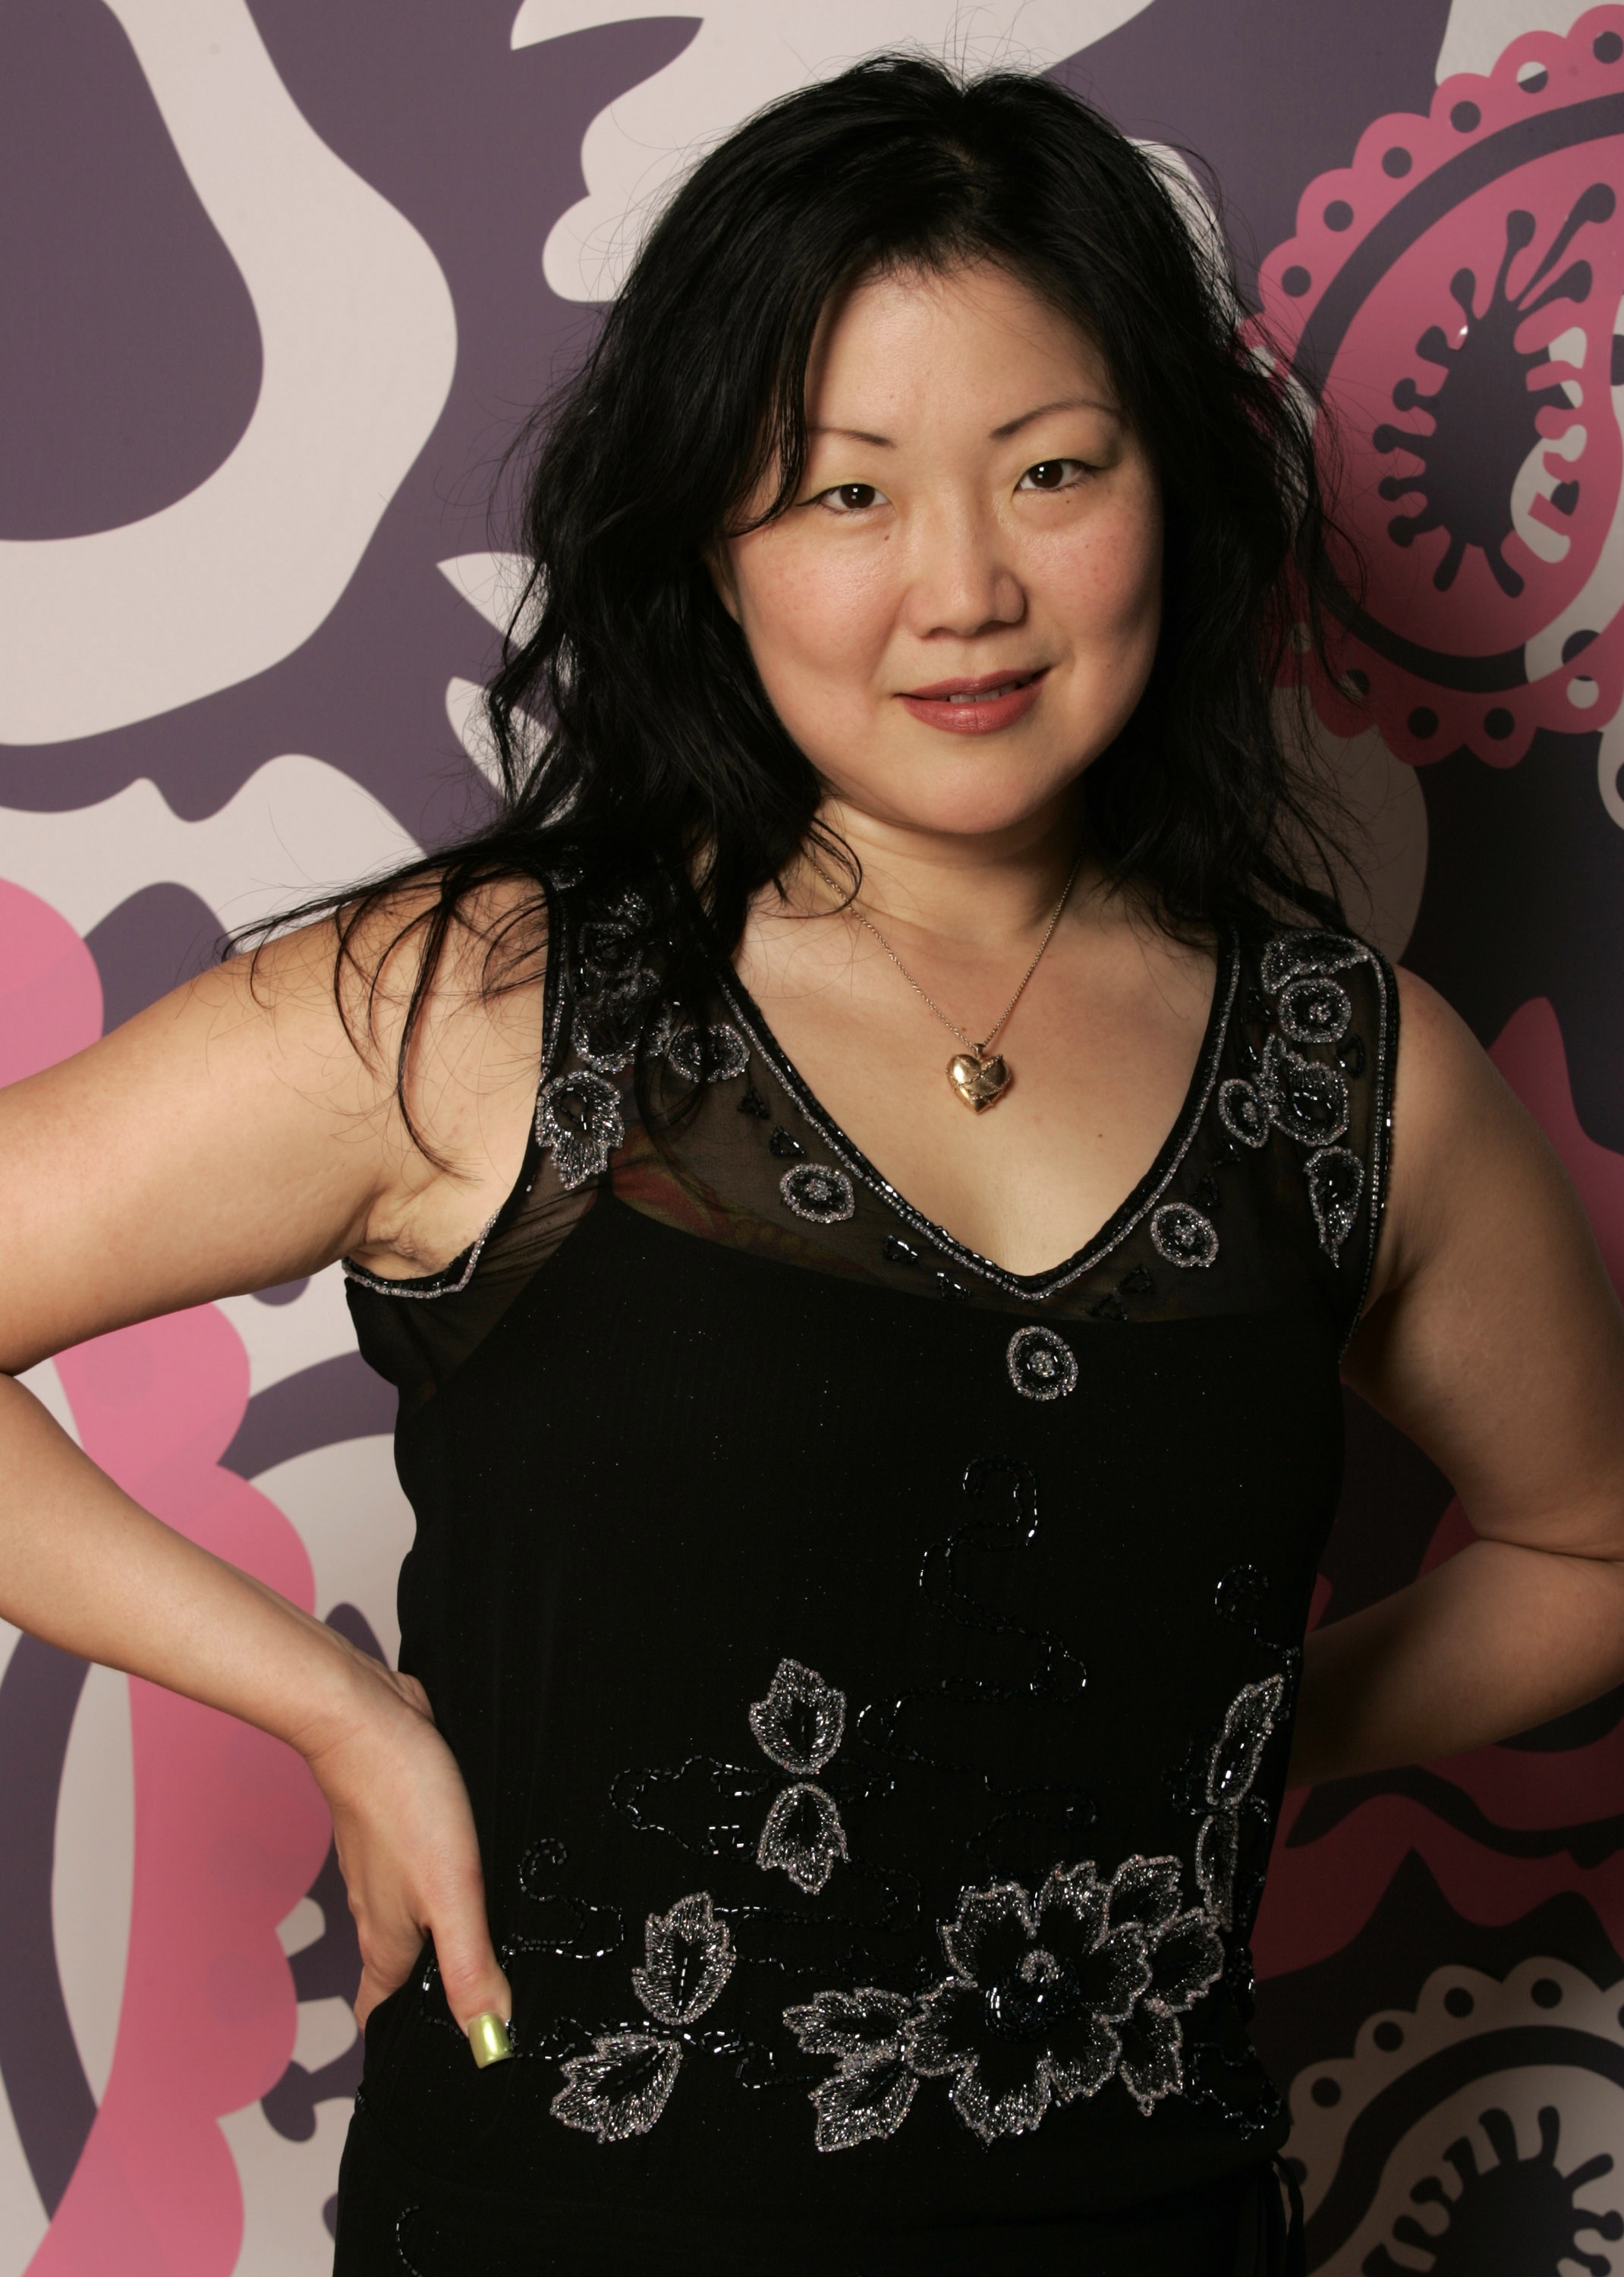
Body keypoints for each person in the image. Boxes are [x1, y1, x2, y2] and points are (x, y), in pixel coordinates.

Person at [3, 52, 1622, 2277]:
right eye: (840, 493)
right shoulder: (477, 1007)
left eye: (1053, 469)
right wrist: (325, 1699)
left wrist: (1210, 1744)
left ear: (1179, 494)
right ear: (706, 545)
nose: (961, 584)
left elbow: (1587, 1552)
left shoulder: (1357, 1079)